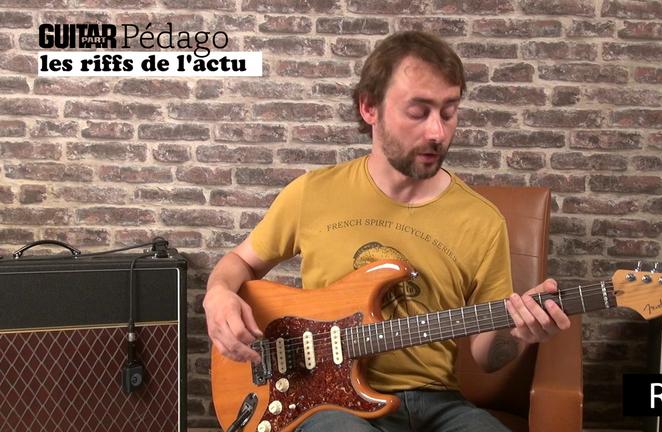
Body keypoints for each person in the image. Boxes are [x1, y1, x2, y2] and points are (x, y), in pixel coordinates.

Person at [203, 30, 571, 432]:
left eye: (449, 112)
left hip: (439, 405)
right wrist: (218, 294)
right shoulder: (313, 193)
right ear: (369, 107)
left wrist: (518, 333)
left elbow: (488, 355)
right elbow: (240, 261)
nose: (438, 132)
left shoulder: (482, 221)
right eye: (419, 112)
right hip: (326, 403)